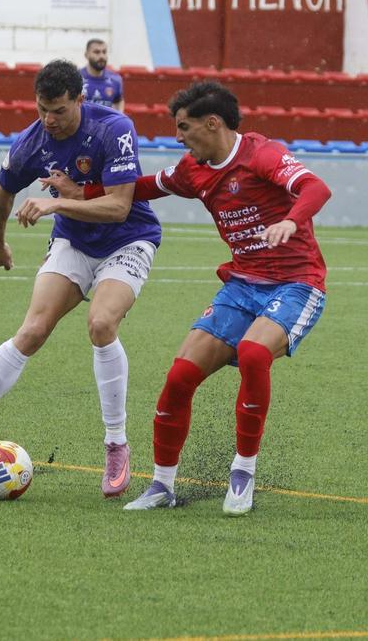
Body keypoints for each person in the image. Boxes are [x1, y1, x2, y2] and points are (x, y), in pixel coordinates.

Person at [52, 81, 332, 516]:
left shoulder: (262, 154)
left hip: (297, 283)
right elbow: (144, 187)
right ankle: (162, 485)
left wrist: (292, 222)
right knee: (180, 376)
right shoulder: (192, 169)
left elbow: (315, 188)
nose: (177, 136)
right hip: (241, 286)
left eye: (184, 127)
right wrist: (79, 193)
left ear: (213, 123)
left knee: (256, 354)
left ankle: (242, 474)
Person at [0, 59, 160, 500]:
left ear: (79, 100)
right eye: (42, 110)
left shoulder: (114, 128)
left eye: (58, 111)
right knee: (32, 331)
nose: (49, 120)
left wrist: (56, 205)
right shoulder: (31, 142)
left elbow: (119, 207)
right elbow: (3, 193)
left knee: (101, 323)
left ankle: (116, 444)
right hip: (74, 243)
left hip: (127, 241)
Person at [79, 39, 124, 111]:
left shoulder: (116, 80)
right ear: (86, 55)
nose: (101, 56)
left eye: (104, 52)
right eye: (97, 52)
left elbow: (118, 101)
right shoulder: (76, 78)